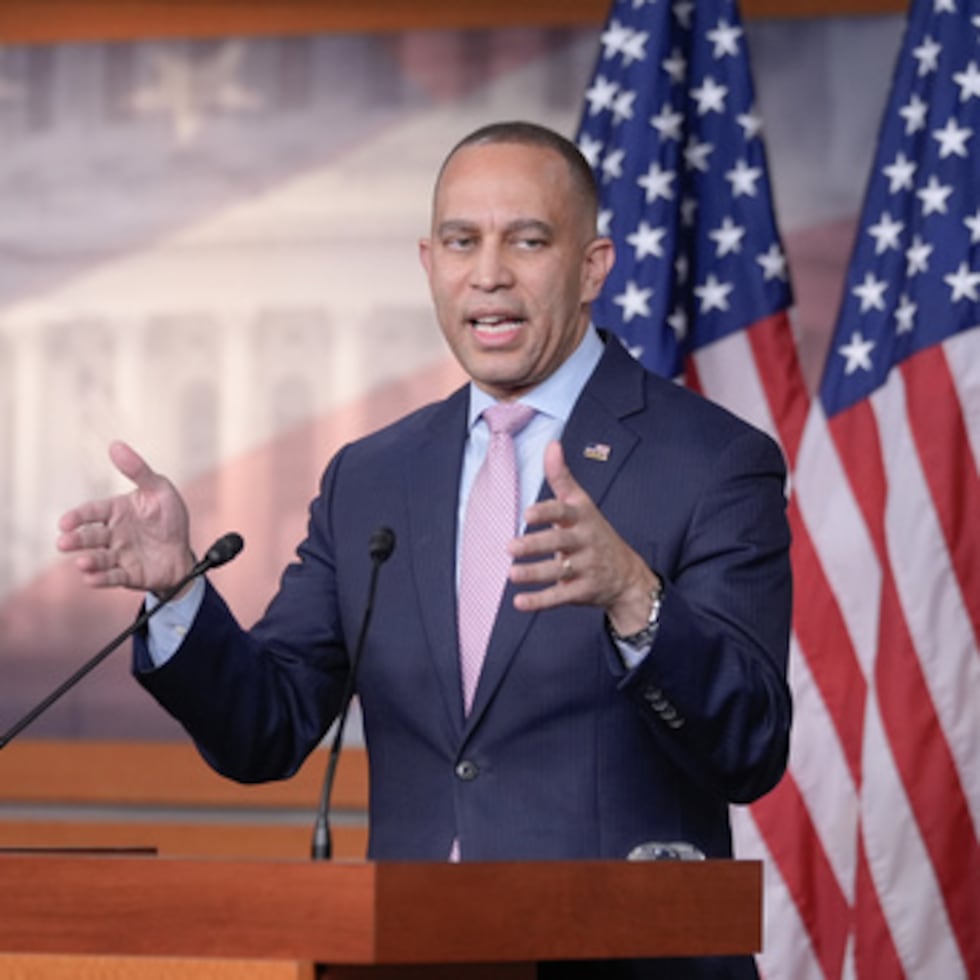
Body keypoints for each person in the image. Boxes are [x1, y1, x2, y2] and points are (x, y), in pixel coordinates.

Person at [57, 121, 792, 979]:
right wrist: (179, 591)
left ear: (593, 266)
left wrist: (637, 599)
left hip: (619, 960)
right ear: (427, 263)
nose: (488, 273)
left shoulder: (712, 460)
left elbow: (751, 747)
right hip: (408, 958)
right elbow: (267, 728)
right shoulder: (371, 477)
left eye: (527, 240)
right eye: (460, 241)